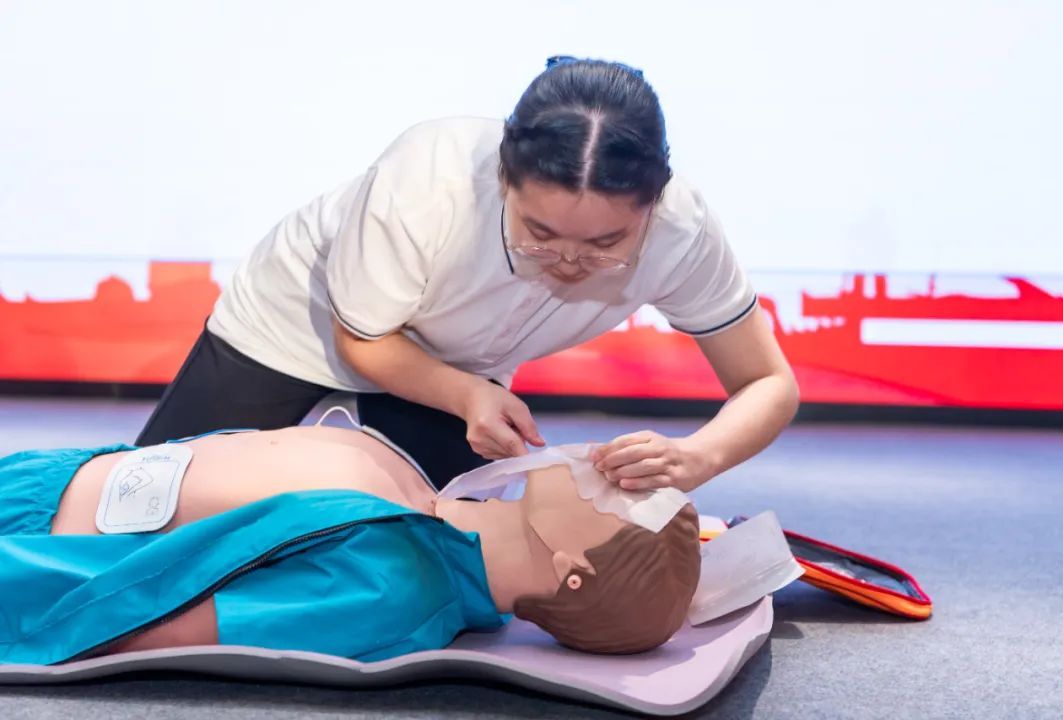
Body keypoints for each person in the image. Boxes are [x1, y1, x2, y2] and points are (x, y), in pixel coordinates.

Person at [135, 56, 799, 491]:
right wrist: (467, 396)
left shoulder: (682, 231)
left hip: (457, 368)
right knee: (145, 508)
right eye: (540, 233)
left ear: (652, 204)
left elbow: (768, 383)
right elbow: (363, 338)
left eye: (606, 242)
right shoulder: (428, 178)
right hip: (299, 324)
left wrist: (700, 455)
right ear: (504, 177)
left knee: (438, 558)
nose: (570, 261)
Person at [0, 424, 701, 665]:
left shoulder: (391, 590)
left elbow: (144, 619)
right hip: (44, 476)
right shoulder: (423, 503)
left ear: (572, 570)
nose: (619, 468)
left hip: (27, 546)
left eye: (626, 499)